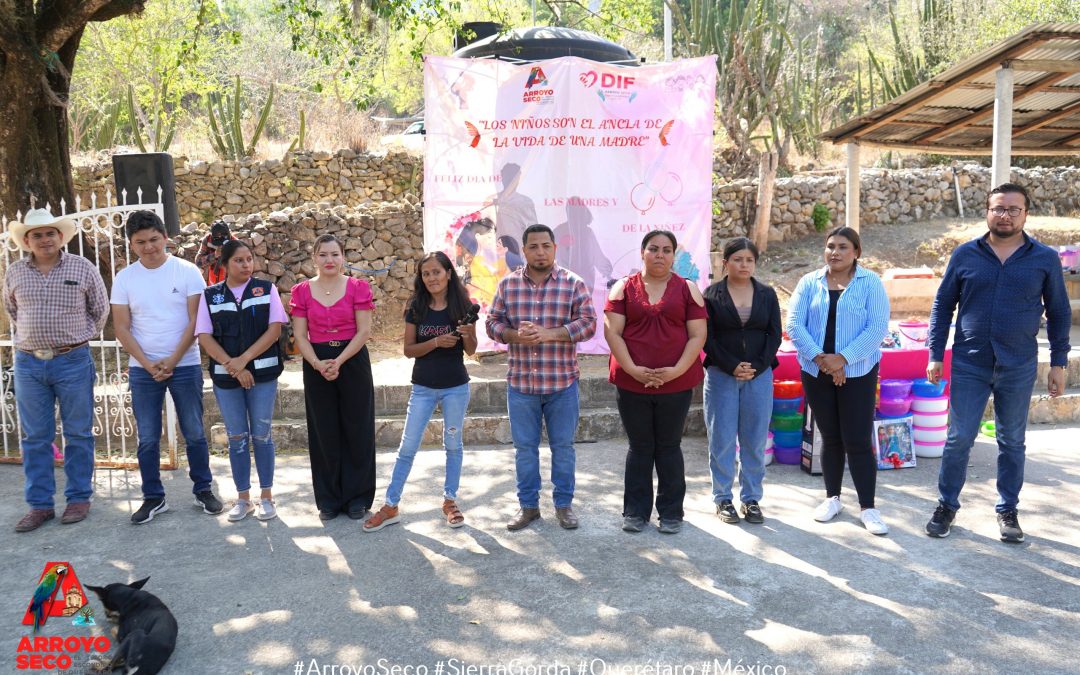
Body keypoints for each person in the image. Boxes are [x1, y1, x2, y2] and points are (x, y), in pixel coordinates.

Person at [924, 183, 1071, 543]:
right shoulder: (965, 255)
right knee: (959, 439)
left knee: (1012, 441)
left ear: (1025, 214)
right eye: (998, 208)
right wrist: (934, 354)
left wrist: (1059, 362)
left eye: (1013, 209)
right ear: (987, 212)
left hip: (1018, 364)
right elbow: (943, 306)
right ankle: (947, 505)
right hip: (970, 361)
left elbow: (1058, 311)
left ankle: (1008, 510)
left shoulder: (1044, 258)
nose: (1004, 215)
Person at [112, 210, 222, 524]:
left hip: (184, 364)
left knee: (194, 432)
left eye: (154, 239)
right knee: (147, 437)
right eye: (141, 242)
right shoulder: (125, 278)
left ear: (165, 238)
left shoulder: (187, 271)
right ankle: (153, 497)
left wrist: (172, 360)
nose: (149, 247)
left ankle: (203, 489)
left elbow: (196, 321)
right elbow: (122, 328)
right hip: (142, 369)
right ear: (132, 245)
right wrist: (147, 364)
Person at [486, 224, 597, 531]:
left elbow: (588, 325)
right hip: (521, 384)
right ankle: (528, 507)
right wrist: (512, 336)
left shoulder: (572, 283)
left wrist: (550, 334)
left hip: (562, 383)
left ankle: (563, 506)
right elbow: (492, 323)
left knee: (563, 448)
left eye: (546, 246)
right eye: (533, 247)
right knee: (524, 450)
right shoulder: (508, 285)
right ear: (524, 251)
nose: (540, 252)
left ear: (554, 248)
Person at [5, 209, 108, 532]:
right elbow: (12, 309)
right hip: (28, 363)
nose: (44, 239)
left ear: (61, 237)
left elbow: (100, 311)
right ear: (26, 241)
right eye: (37, 235)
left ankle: (78, 498)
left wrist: (76, 339)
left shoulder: (83, 267)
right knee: (35, 437)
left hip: (72, 361)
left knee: (77, 432)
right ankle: (40, 505)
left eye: (50, 233)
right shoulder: (15, 272)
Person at [786, 226, 891, 535]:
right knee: (830, 436)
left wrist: (843, 359)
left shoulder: (870, 282)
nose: (835, 252)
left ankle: (868, 508)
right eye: (830, 246)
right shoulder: (809, 282)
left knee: (857, 439)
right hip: (816, 370)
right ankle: (832, 498)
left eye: (843, 247)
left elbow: (876, 328)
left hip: (857, 372)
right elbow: (794, 323)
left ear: (856, 252)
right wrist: (823, 360)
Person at [364, 252, 478, 532]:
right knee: (407, 448)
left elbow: (472, 350)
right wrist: (437, 342)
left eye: (437, 272)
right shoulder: (416, 306)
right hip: (424, 388)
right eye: (426, 273)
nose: (432, 278)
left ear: (448, 273)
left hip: (456, 387)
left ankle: (450, 501)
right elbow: (408, 350)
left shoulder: (463, 305)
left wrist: (466, 334)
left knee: (453, 446)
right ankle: (391, 505)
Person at [604, 230, 707, 534]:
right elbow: (613, 333)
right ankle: (635, 513)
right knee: (639, 447)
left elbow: (697, 335)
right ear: (642, 253)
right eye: (653, 249)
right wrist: (634, 369)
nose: (659, 255)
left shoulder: (688, 289)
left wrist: (675, 371)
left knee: (669, 446)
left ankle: (672, 513)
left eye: (666, 250)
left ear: (674, 255)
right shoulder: (623, 288)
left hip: (676, 383)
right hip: (631, 381)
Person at [194, 240, 287, 522]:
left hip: (264, 374)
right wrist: (234, 367)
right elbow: (205, 336)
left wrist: (244, 359)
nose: (246, 265)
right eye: (239, 260)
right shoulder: (210, 296)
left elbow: (274, 331)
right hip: (227, 377)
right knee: (236, 438)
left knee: (261, 434)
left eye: (249, 259)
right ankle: (243, 498)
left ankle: (267, 497)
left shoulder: (266, 290)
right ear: (224, 264)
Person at [290, 234, 377, 521]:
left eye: (335, 254)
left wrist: (338, 360)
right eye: (323, 255)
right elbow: (300, 336)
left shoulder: (358, 287)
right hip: (316, 364)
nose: (329, 260)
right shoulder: (301, 291)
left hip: (351, 360)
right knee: (323, 429)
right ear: (313, 258)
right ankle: (328, 499)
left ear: (343, 257)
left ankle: (357, 498)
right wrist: (317, 363)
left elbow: (363, 331)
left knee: (357, 427)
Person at [702, 237, 782, 525]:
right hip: (722, 375)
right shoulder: (711, 295)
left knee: (754, 439)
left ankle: (751, 499)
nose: (744, 264)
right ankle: (722, 497)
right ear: (725, 263)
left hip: (759, 377)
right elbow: (706, 338)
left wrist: (756, 367)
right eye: (738, 259)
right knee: (721, 438)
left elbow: (774, 335)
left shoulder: (767, 294)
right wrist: (732, 365)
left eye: (749, 259)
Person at [491, 163, 538, 244]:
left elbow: (533, 229)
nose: (510, 180)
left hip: (518, 249)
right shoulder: (492, 200)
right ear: (502, 177)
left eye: (514, 177)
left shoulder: (525, 202)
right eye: (508, 176)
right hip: (496, 249)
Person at [194, 220, 236, 285]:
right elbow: (198, 262)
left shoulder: (236, 243)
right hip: (213, 284)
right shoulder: (207, 240)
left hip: (231, 284)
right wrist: (215, 255)